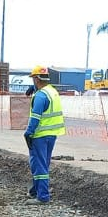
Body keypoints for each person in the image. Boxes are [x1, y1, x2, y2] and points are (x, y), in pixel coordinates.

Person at [24, 65, 65, 204]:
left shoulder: (41, 96)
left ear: (36, 79)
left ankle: (42, 196)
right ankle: (35, 190)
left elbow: (35, 117)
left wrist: (29, 132)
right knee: (43, 163)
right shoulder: (52, 91)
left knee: (39, 164)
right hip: (51, 134)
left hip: (40, 135)